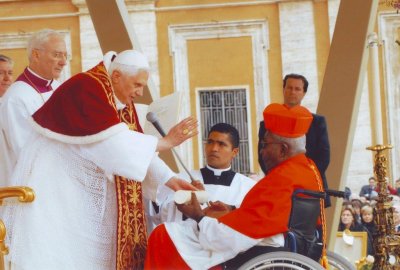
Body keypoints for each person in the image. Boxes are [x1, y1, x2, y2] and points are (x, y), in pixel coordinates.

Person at [2, 49, 199, 270]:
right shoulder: (87, 88)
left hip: (77, 189)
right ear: (116, 76)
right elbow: (115, 148)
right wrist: (166, 142)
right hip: (55, 187)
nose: (140, 92)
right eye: (137, 85)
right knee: (60, 254)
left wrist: (169, 178)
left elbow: (131, 142)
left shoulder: (116, 94)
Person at [144, 103, 326, 270]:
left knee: (164, 236)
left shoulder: (282, 179)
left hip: (259, 249)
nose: (262, 151)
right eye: (210, 142)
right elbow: (265, 215)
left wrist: (198, 216)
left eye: (265, 144)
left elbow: (228, 238)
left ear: (283, 149)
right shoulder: (305, 169)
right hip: (275, 242)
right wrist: (231, 209)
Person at [151, 123, 255, 228]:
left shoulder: (249, 187)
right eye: (210, 142)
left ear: (234, 152)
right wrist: (186, 198)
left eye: (221, 144)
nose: (214, 148)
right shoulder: (180, 180)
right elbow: (159, 215)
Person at [0, 29, 67, 186]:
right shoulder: (17, 98)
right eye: (57, 55)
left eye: (65, 55)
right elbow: (26, 154)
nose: (63, 61)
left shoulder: (58, 87)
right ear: (36, 55)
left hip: (59, 177)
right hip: (33, 187)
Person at [258, 74, 331, 207]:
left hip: (310, 186)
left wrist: (303, 178)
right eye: (289, 87)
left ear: (304, 93)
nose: (293, 92)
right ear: (283, 89)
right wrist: (281, 178)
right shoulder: (267, 123)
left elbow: (323, 157)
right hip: (279, 186)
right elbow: (263, 156)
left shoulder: (317, 122)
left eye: (297, 89)